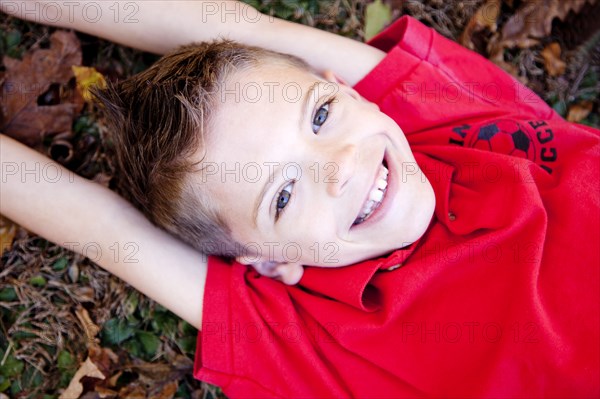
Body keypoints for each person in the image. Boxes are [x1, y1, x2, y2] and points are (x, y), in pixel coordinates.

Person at [1, 1, 598, 397]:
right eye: (282, 195)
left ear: (349, 92)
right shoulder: (303, 336)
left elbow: (248, 29)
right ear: (264, 263)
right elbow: (94, 224)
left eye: (319, 115)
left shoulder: (439, 115)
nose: (342, 166)